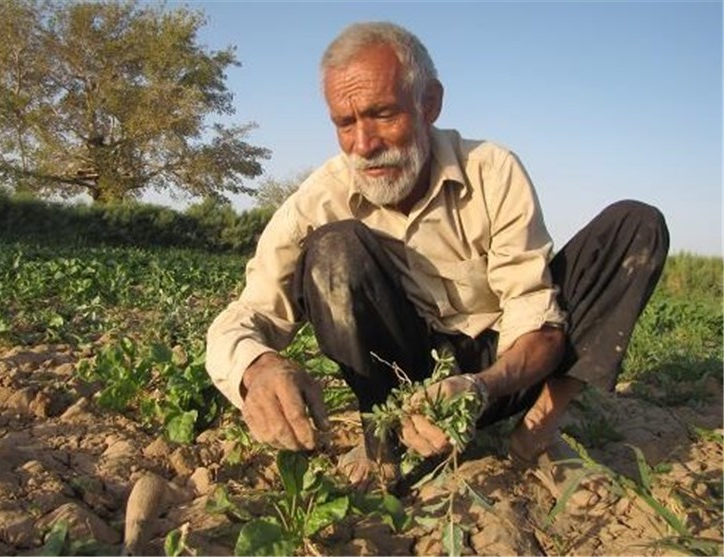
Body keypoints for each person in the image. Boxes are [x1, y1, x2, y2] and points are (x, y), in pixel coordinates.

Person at [205, 21, 669, 487]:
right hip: (404, 381)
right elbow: (247, 314)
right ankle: (382, 439)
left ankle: (539, 431)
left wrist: (480, 386)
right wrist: (258, 366)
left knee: (636, 225)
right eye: (345, 124)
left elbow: (536, 320)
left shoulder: (492, 170)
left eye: (382, 114)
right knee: (334, 248)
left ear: (429, 104)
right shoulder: (320, 199)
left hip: (499, 374)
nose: (364, 145)